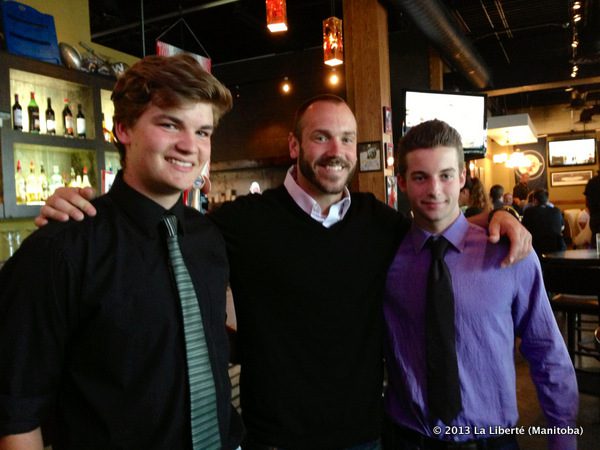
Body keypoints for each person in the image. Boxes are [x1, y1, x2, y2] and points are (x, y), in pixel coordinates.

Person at [34, 95, 531, 449]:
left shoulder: (381, 224)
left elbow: (438, 225)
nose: (335, 150)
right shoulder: (236, 223)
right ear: (295, 146)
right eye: (321, 137)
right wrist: (83, 208)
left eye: (347, 139)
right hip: (273, 435)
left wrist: (495, 218)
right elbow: (155, 228)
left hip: (365, 433)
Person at [0, 54, 243, 449]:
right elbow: (16, 413)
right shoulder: (61, 249)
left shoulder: (208, 238)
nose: (189, 146)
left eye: (203, 132)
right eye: (170, 124)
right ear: (124, 128)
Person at [383, 119, 577, 450]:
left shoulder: (510, 253)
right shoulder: (384, 258)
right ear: (401, 181)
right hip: (407, 440)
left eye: (445, 175)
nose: (434, 189)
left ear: (462, 178)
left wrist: (564, 441)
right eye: (420, 177)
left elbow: (546, 351)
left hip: (492, 441)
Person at [522, 188, 567, 256]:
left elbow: (524, 229)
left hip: (536, 249)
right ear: (547, 200)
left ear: (534, 200)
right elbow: (562, 227)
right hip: (557, 248)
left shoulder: (529, 212)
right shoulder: (556, 211)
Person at [584, 170, 600, 247]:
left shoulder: (592, 182)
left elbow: (587, 203)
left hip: (596, 220)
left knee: (596, 247)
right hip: (595, 219)